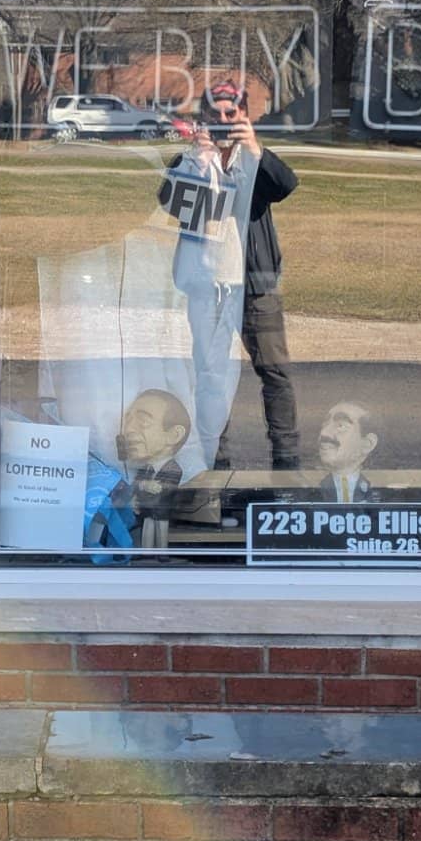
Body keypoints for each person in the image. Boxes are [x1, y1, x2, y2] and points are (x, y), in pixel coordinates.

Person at [158, 79, 302, 469]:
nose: (223, 122)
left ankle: (287, 465)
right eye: (214, 115)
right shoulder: (191, 160)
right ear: (202, 119)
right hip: (207, 288)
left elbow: (286, 185)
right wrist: (200, 164)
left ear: (244, 116)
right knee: (210, 376)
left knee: (274, 372)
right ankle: (215, 465)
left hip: (254, 285)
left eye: (231, 115)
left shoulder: (253, 157)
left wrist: (254, 146)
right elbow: (171, 204)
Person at [115, 388, 191, 547]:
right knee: (147, 530)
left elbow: (168, 488)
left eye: (143, 422)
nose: (128, 430)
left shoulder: (173, 468)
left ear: (174, 435)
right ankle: (147, 553)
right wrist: (139, 491)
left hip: (162, 511)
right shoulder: (145, 469)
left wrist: (151, 488)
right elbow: (137, 484)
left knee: (161, 531)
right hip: (147, 509)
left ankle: (161, 554)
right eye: (127, 421)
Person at [314, 398, 385, 503]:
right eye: (324, 425)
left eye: (340, 426)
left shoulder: (386, 492)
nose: (324, 433)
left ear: (367, 444)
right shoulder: (306, 490)